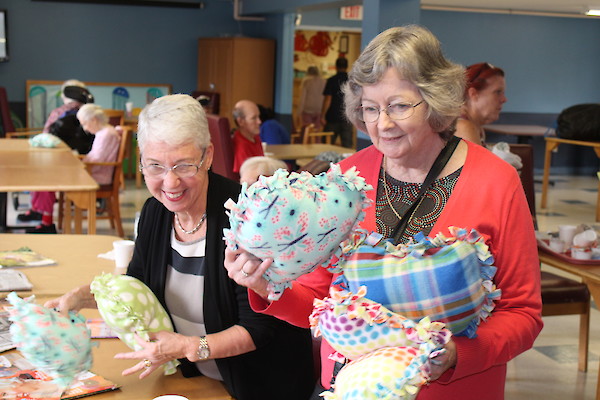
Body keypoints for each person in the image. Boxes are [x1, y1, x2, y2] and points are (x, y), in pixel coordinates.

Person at [223, 25, 543, 400]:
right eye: (371, 108)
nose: (382, 124)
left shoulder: (496, 182)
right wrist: (267, 286)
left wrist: (458, 353)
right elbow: (320, 299)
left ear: (435, 99)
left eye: (400, 106)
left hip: (453, 390)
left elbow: (523, 312)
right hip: (348, 387)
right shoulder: (344, 181)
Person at [44, 94, 314, 400]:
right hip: (196, 378)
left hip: (258, 385)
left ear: (208, 156)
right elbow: (139, 287)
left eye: (184, 166)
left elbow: (261, 328)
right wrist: (85, 296)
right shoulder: (155, 211)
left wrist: (189, 346)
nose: (170, 183)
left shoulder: (250, 217)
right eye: (155, 166)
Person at [17, 79, 94, 234]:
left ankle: (43, 218)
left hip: (61, 165)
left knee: (41, 174)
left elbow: (46, 134)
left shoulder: (59, 112)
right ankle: (40, 212)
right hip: (78, 162)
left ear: (66, 95)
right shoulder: (91, 112)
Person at [455, 62, 507, 146]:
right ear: (473, 94)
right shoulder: (464, 127)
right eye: (498, 92)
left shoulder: (476, 126)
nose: (504, 99)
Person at [76, 104, 121, 185]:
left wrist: (81, 167)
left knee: (68, 176)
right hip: (96, 173)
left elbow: (98, 160)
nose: (85, 128)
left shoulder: (106, 135)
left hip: (99, 176)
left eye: (84, 124)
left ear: (94, 120)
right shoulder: (104, 132)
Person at [321, 57, 353, 148]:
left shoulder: (331, 80)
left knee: (327, 146)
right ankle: (349, 163)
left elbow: (328, 99)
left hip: (332, 117)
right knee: (347, 147)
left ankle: (328, 162)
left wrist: (322, 115)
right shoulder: (351, 80)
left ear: (336, 66)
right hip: (347, 117)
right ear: (347, 66)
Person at [231, 99, 264, 174]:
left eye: (258, 117)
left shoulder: (255, 137)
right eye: (254, 118)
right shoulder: (241, 146)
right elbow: (247, 177)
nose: (259, 122)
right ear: (240, 121)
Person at [297, 65, 325, 131]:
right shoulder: (323, 81)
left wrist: (299, 112)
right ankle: (317, 141)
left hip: (307, 110)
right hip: (319, 109)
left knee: (307, 131)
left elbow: (302, 98)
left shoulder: (306, 81)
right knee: (317, 131)